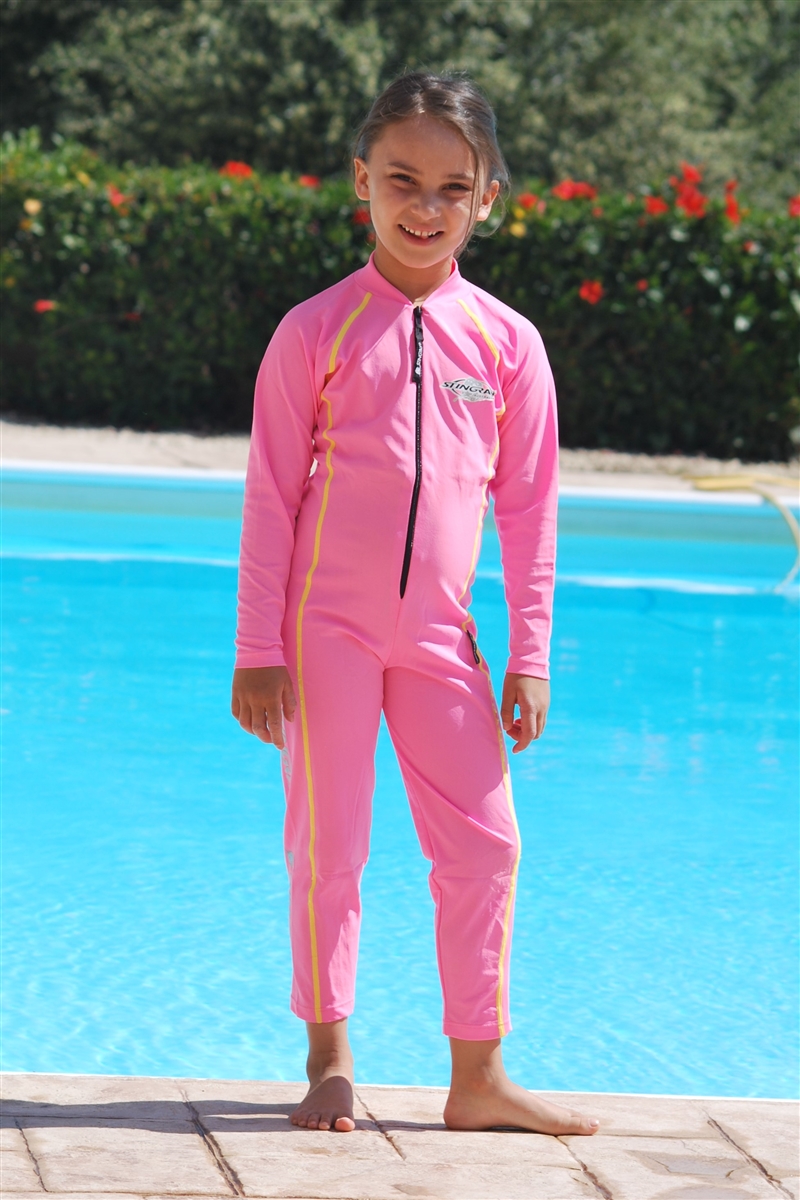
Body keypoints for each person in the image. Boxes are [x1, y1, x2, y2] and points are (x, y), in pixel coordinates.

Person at [231, 71, 599, 1138]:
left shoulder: (508, 344)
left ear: (487, 197)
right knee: (329, 846)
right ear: (362, 180)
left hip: (442, 636)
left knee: (485, 845)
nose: (425, 206)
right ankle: (330, 1059)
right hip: (324, 632)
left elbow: (529, 511)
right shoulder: (315, 330)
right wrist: (258, 648)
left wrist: (530, 653)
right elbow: (270, 495)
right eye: (402, 179)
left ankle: (477, 1076)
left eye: (452, 186)